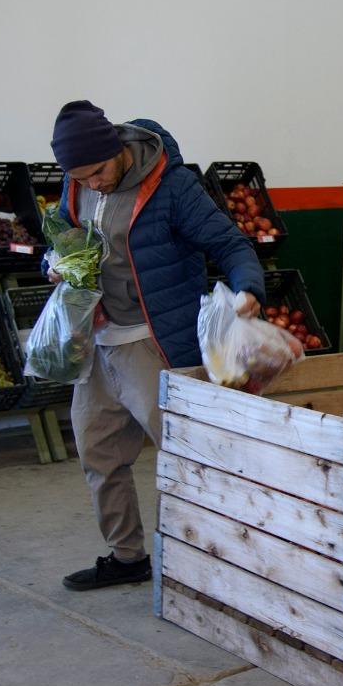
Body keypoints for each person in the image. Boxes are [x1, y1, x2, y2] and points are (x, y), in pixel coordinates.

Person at [46, 100, 278, 591]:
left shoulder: (171, 185)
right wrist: (55, 262)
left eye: (99, 171)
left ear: (118, 151)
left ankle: (228, 558)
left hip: (153, 346)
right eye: (81, 177)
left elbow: (232, 244)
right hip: (97, 344)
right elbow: (67, 241)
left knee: (190, 458)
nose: (93, 184)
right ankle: (127, 557)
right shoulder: (78, 185)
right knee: (98, 453)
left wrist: (248, 290)